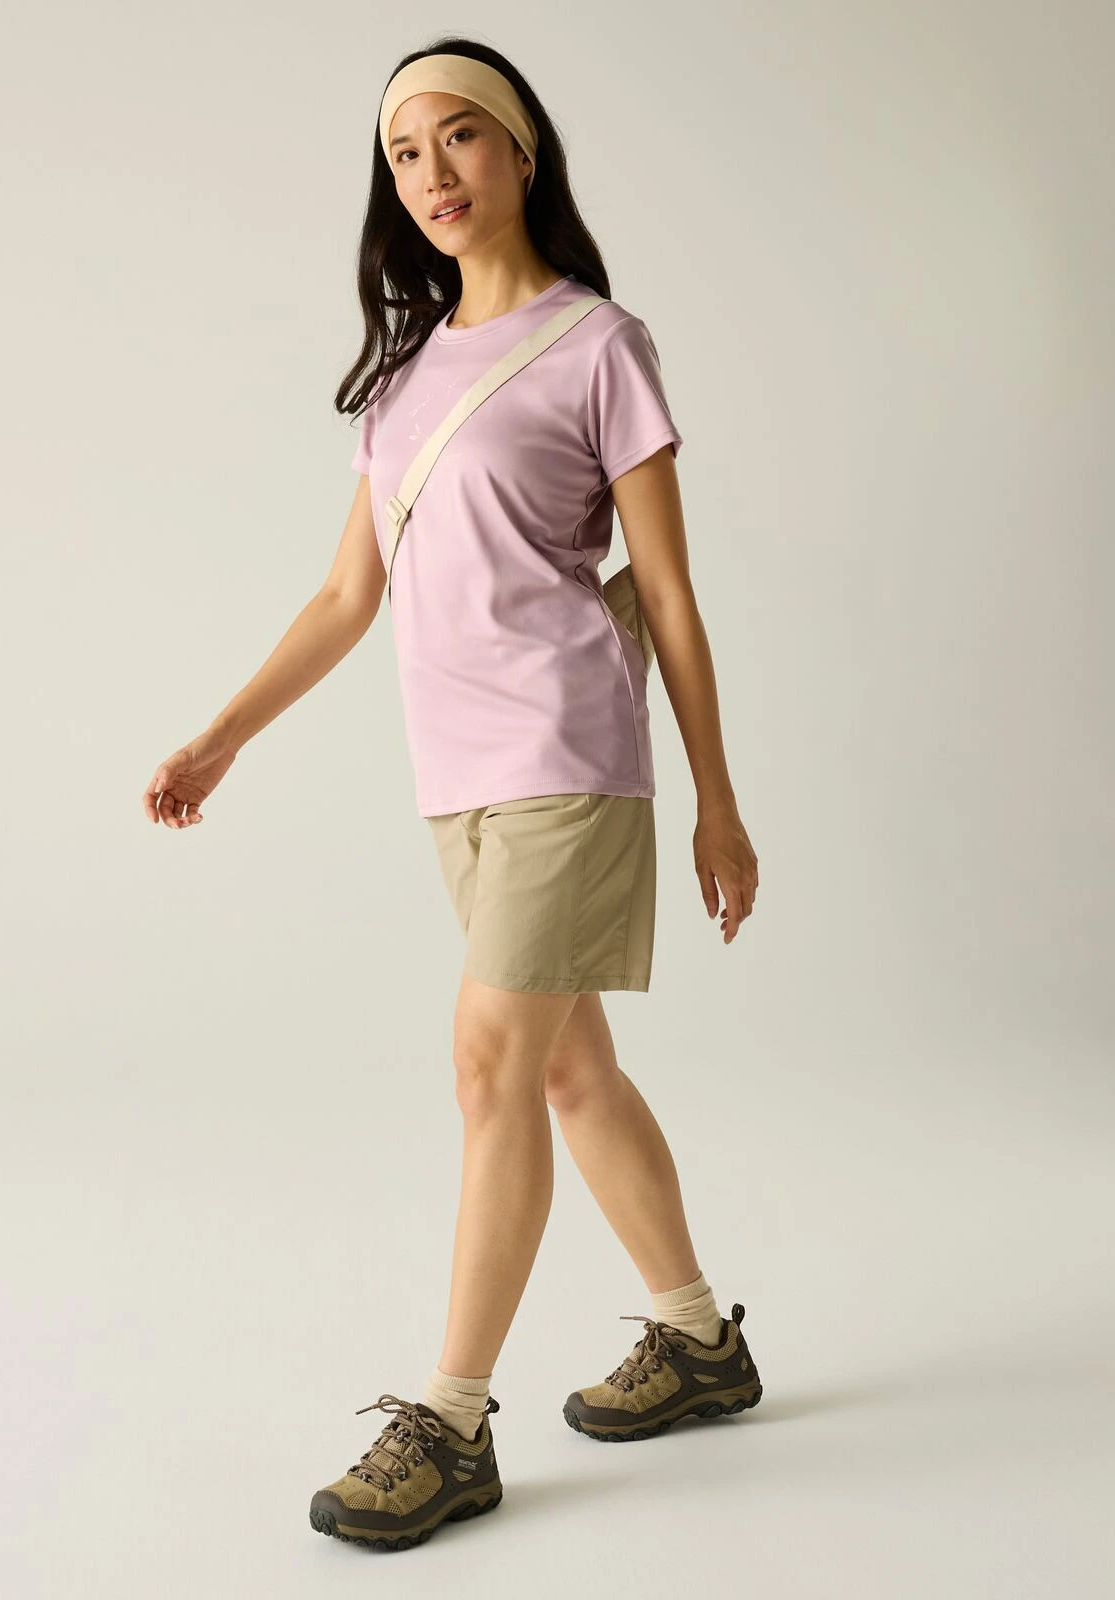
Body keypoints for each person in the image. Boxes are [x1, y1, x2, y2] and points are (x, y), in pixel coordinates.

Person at [141, 37, 762, 1552]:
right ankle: (699, 1341)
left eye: (460, 137)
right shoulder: (406, 378)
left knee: (490, 1067)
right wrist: (224, 736)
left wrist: (718, 801)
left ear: (522, 150)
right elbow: (346, 596)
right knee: (568, 1074)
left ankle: (454, 1420)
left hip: (567, 757)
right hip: (458, 782)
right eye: (404, 152)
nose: (432, 173)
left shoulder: (599, 344)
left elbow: (669, 593)